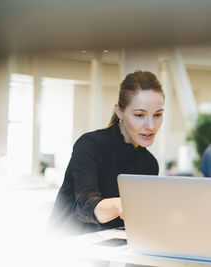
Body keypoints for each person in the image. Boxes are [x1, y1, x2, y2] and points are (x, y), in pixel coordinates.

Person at [48, 70, 165, 236]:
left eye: (158, 115)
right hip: (70, 248)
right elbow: (84, 206)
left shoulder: (149, 163)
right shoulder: (90, 145)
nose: (151, 126)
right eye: (140, 115)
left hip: (114, 251)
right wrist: (120, 205)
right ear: (119, 111)